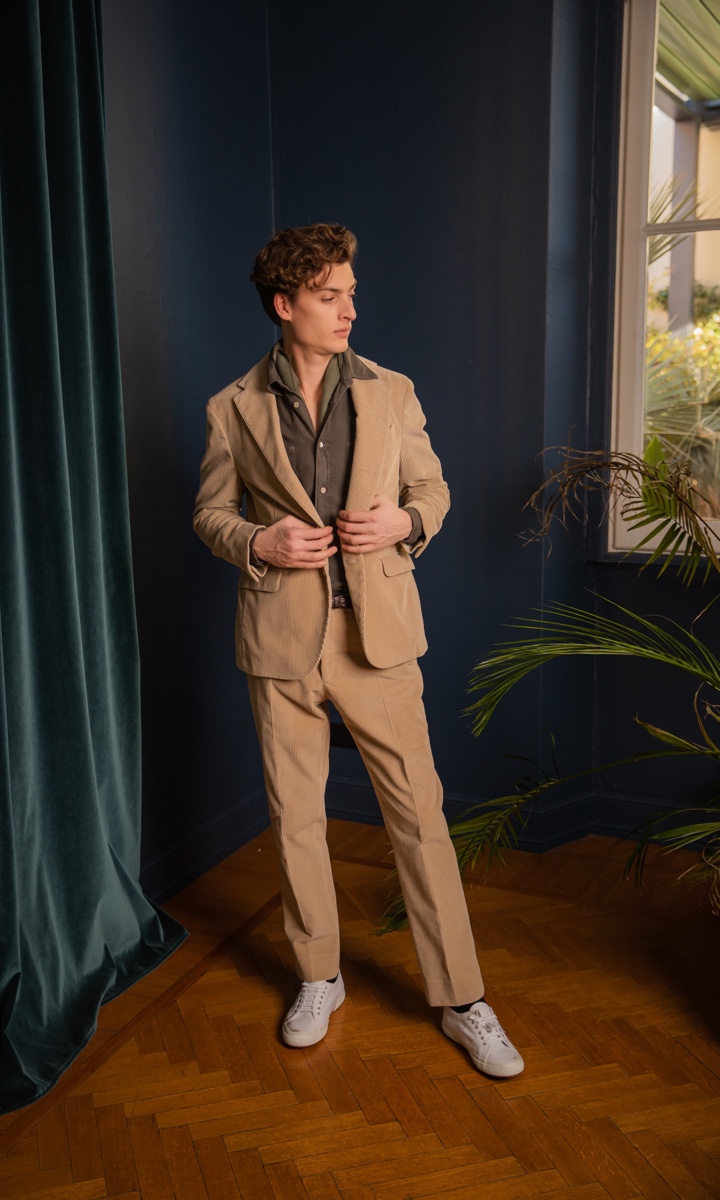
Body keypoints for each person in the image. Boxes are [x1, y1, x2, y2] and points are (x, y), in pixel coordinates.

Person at [193, 224, 523, 1077]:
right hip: (281, 642)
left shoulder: (390, 390)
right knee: (296, 818)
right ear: (285, 305)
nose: (348, 309)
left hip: (377, 639)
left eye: (350, 293)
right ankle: (319, 976)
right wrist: (258, 541)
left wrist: (403, 522)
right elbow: (210, 513)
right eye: (329, 295)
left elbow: (433, 490)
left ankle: (462, 998)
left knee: (419, 817)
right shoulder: (232, 407)